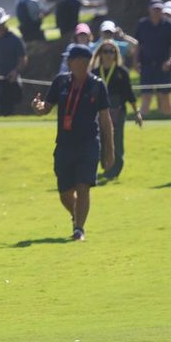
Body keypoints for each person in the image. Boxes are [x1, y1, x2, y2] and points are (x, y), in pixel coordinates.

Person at [31, 46, 114, 241]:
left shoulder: (97, 86)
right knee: (65, 192)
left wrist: (109, 150)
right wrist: (37, 107)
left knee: (83, 186)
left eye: (71, 59)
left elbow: (105, 119)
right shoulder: (61, 82)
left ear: (83, 62)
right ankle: (77, 216)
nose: (67, 62)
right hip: (64, 144)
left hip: (88, 144)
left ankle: (79, 229)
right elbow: (46, 108)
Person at [92, 42, 140, 182]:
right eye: (105, 51)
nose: (108, 54)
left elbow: (129, 93)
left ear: (115, 54)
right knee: (100, 140)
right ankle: (106, 166)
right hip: (99, 112)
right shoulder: (94, 73)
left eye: (111, 51)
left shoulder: (122, 72)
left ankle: (114, 170)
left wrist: (136, 111)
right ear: (100, 54)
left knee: (116, 141)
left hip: (117, 111)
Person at [0, 8, 27, 116]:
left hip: (9, 82)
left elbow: (22, 59)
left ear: (4, 22)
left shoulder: (15, 39)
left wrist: (16, 71)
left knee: (7, 112)